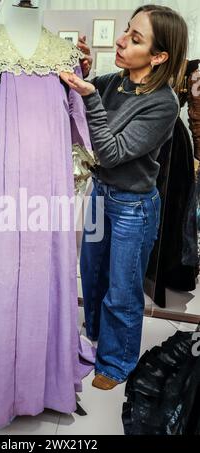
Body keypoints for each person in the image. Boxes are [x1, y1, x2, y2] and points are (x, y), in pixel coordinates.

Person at [61, 4, 188, 390]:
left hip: (133, 207)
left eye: (135, 39)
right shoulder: (117, 81)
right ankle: (97, 338)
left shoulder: (163, 103)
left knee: (122, 288)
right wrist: (84, 74)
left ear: (159, 55)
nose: (121, 40)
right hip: (100, 193)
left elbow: (112, 152)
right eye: (125, 31)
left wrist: (89, 97)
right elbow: (87, 92)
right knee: (94, 274)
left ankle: (116, 363)